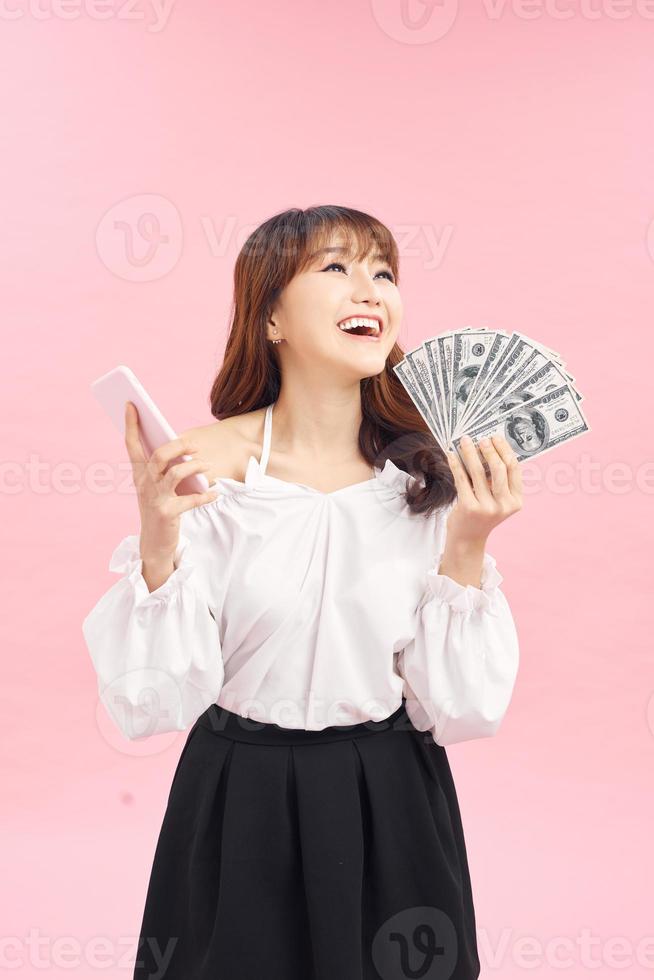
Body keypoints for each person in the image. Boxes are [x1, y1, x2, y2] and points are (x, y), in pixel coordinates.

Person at [82, 205, 522, 980]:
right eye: (336, 268)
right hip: (237, 791)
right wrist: (158, 536)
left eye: (384, 272)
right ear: (271, 316)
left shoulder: (423, 481)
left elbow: (459, 709)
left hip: (391, 795)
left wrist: (468, 544)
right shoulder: (202, 468)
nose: (371, 291)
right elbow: (152, 702)